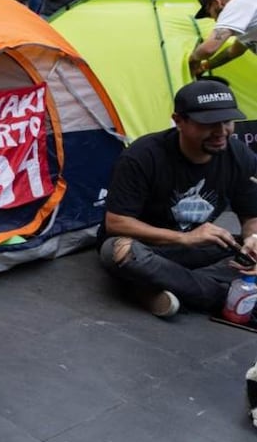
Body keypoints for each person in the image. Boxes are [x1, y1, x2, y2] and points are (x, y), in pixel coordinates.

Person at [99, 80, 257, 317]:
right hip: (151, 248)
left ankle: (153, 288)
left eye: (227, 122)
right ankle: (226, 296)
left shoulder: (238, 155)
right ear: (178, 121)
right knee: (118, 251)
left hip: (199, 248)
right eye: (209, 124)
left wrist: (252, 239)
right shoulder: (142, 156)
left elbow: (250, 215)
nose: (221, 132)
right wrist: (185, 238)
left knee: (243, 250)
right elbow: (116, 222)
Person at [187, 0, 257, 76]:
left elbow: (208, 49)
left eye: (209, 14)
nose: (215, 20)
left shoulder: (237, 3)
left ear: (216, 3)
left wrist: (193, 59)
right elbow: (232, 52)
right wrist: (204, 67)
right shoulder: (250, 6)